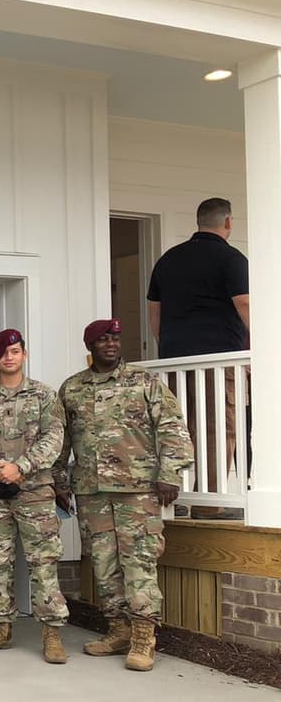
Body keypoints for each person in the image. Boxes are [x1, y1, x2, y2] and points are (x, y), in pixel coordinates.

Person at [54, 319, 194, 672]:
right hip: (92, 491)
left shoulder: (144, 382)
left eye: (115, 337)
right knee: (103, 565)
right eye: (103, 339)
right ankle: (118, 630)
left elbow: (172, 427)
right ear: (90, 347)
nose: (111, 344)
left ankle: (144, 637)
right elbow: (60, 440)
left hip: (138, 490)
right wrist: (59, 480)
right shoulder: (72, 389)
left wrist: (169, 473)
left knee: (140, 562)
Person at [0, 330, 70, 663]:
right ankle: (1, 627)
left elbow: (54, 439)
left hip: (35, 493)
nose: (9, 357)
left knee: (43, 563)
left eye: (15, 351)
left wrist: (21, 466)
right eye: (3, 352)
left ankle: (51, 633)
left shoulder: (43, 395)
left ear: (24, 354)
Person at [146, 197, 250, 505]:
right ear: (228, 222)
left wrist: (168, 346)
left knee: (179, 429)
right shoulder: (230, 259)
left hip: (175, 361)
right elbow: (244, 303)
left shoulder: (168, 260)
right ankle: (211, 505)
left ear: (198, 221)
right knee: (219, 430)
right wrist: (261, 350)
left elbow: (155, 313)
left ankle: (181, 500)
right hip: (218, 360)